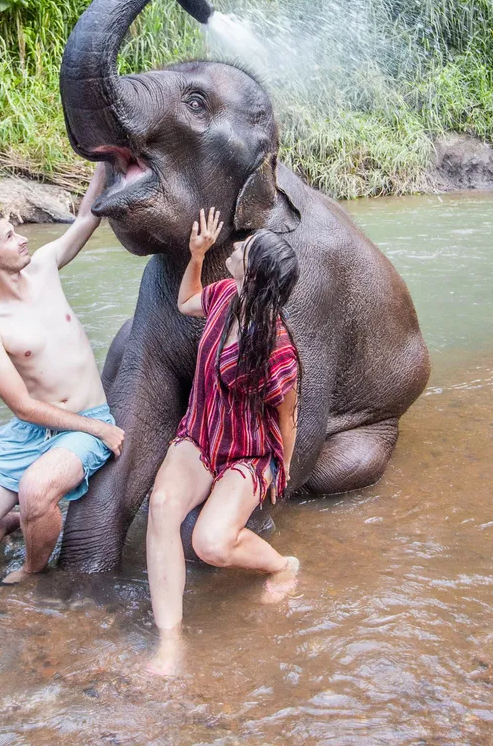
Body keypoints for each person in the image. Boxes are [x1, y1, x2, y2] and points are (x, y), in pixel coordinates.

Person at [0, 164, 124, 587]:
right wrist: (95, 428)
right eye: (8, 236)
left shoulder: (45, 266)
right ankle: (20, 520)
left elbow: (87, 217)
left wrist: (102, 161)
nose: (22, 239)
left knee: (38, 489)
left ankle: (30, 572)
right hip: (33, 433)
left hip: (84, 421)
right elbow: (21, 405)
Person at [147, 207, 301, 675]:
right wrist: (196, 255)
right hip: (201, 433)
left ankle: (283, 565)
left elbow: (287, 416)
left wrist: (282, 467)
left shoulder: (277, 346)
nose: (234, 247)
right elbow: (185, 300)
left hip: (248, 450)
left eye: (243, 251)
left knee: (210, 545)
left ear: (254, 275)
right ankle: (170, 642)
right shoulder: (224, 295)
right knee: (161, 508)